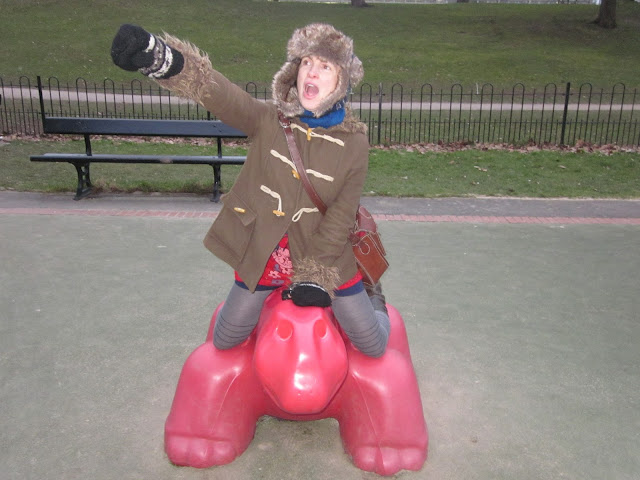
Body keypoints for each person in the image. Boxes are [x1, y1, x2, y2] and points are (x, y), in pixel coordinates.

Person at [111, 23, 390, 357]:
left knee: (372, 345)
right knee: (225, 338)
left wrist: (313, 276)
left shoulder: (355, 142)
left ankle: (375, 297)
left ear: (341, 82)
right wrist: (162, 59)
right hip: (266, 251)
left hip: (325, 257)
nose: (312, 72)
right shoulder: (271, 120)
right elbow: (224, 96)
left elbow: (342, 216)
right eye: (306, 63)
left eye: (325, 66)